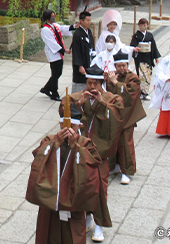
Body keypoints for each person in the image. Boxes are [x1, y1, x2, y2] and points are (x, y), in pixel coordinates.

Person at [25, 103, 101, 244]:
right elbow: (38, 159)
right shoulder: (49, 140)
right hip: (50, 201)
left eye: (72, 126)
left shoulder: (86, 144)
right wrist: (54, 145)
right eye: (64, 126)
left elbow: (93, 166)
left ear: (79, 126)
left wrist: (76, 148)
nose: (68, 130)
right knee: (47, 235)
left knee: (73, 237)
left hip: (74, 201)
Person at [69, 64, 124, 243]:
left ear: (102, 83)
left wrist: (101, 102)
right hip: (82, 150)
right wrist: (79, 105)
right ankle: (86, 217)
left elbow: (117, 119)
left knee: (100, 187)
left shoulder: (113, 99)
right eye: (89, 83)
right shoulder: (78, 97)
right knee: (81, 185)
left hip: (101, 151)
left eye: (95, 84)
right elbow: (66, 115)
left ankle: (99, 223)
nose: (91, 87)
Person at [105, 50, 146, 185]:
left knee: (125, 143)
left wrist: (116, 83)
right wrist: (106, 79)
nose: (122, 68)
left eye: (124, 65)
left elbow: (130, 95)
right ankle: (115, 165)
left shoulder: (133, 77)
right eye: (119, 66)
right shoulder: (114, 76)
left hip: (128, 115)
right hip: (115, 115)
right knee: (113, 141)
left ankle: (126, 171)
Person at [40, 9, 76, 101]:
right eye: (52, 16)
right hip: (53, 53)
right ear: (47, 18)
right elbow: (51, 43)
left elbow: (63, 29)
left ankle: (46, 88)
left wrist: (75, 26)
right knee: (56, 73)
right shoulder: (45, 29)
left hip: (58, 53)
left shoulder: (55, 26)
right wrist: (63, 50)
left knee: (57, 73)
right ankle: (54, 93)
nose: (54, 18)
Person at [129, 18, 161, 99]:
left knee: (148, 75)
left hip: (148, 57)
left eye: (145, 24)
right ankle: (141, 92)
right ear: (139, 25)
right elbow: (133, 46)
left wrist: (156, 57)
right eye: (142, 24)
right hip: (140, 57)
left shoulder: (150, 35)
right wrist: (136, 49)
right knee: (141, 76)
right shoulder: (136, 35)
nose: (144, 26)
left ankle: (145, 92)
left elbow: (153, 46)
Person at [71, 11, 94, 93]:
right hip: (81, 62)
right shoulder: (77, 34)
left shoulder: (89, 32)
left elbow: (92, 46)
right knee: (79, 83)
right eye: (87, 20)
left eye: (90, 20)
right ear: (81, 21)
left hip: (89, 60)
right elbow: (76, 51)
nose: (89, 22)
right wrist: (79, 65)